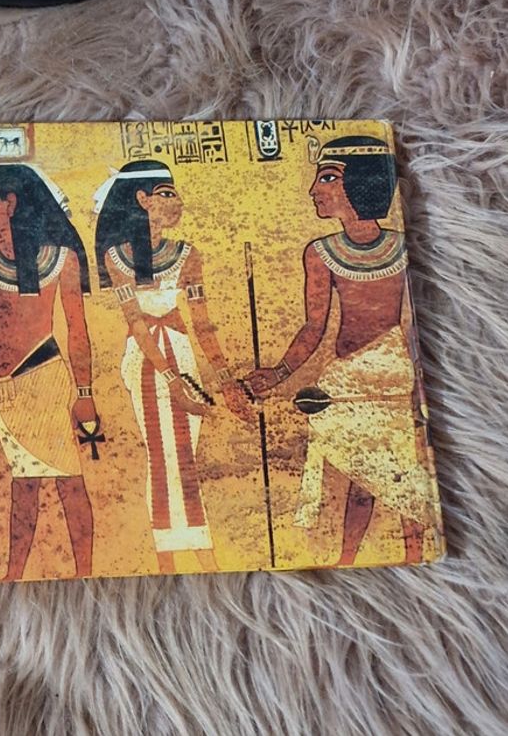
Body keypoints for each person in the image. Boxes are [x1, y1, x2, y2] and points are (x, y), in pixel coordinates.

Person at [245, 136, 436, 566]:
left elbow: (413, 324)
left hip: (392, 377)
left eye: (328, 177)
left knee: (404, 477)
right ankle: (348, 558)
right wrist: (278, 373)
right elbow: (314, 327)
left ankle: (415, 554)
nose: (314, 189)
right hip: (347, 378)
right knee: (360, 478)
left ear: (363, 182)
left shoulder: (401, 246)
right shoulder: (321, 253)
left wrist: (418, 384)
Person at [94, 160, 253, 574]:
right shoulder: (117, 258)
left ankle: (189, 550)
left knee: (185, 454)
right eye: (166, 193)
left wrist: (227, 383)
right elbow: (135, 322)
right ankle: (174, 554)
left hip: (180, 352)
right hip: (147, 359)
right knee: (164, 456)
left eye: (175, 193)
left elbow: (202, 322)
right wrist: (172, 381)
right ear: (142, 200)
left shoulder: (188, 255)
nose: (177, 201)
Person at [0, 164, 97, 581]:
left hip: (46, 379)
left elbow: (78, 331)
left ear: (11, 204)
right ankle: (14, 574)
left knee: (68, 481)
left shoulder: (60, 261)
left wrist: (84, 394)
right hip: (8, 391)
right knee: (24, 483)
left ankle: (85, 571)